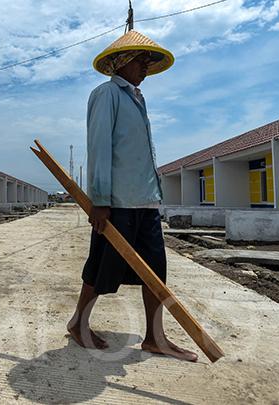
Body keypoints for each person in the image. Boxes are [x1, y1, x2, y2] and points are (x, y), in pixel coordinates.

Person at [66, 31, 198, 362]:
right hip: (118, 203)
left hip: (145, 201)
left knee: (155, 271)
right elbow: (99, 147)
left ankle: (155, 337)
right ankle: (78, 324)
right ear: (123, 62)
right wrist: (100, 199)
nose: (145, 67)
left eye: (147, 62)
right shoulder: (106, 94)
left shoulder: (137, 98)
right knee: (102, 267)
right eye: (141, 61)